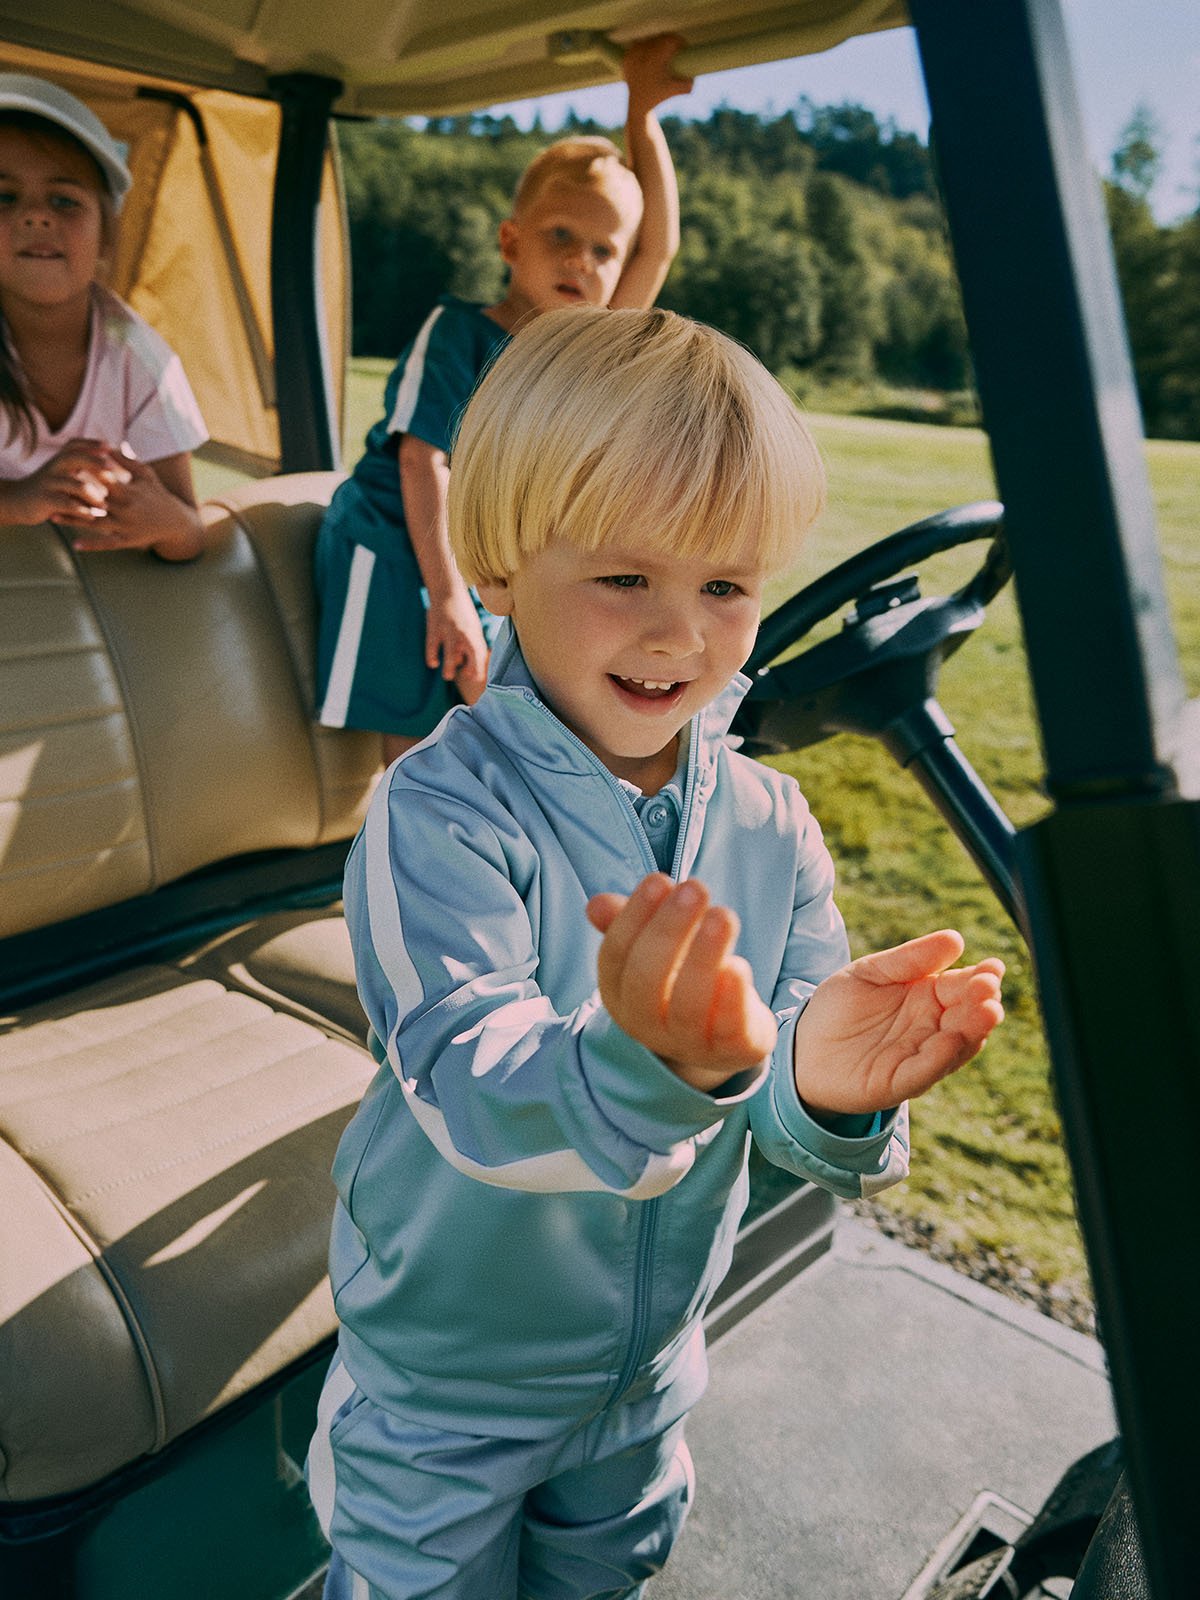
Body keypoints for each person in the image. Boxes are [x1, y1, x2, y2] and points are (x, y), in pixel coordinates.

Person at [306, 306, 1006, 1600]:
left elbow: (777, 1091)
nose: (682, 636)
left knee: (608, 1574)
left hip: (648, 1369)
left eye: (726, 585)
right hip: (446, 1382)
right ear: (502, 565)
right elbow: (468, 1072)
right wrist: (644, 1070)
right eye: (626, 578)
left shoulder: (768, 822)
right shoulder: (442, 810)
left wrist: (818, 1082)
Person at [313, 35, 692, 764]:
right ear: (511, 242)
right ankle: (399, 851)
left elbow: (660, 248)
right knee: (418, 730)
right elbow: (424, 461)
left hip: (487, 560)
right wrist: (449, 595)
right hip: (400, 544)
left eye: (603, 251)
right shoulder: (457, 333)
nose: (582, 260)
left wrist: (641, 116)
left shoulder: (589, 350)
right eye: (561, 236)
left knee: (493, 720)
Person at [0, 74, 208, 559]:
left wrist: (164, 523)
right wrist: (19, 500)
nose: (36, 216)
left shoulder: (140, 358)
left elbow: (190, 533)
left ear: (106, 239)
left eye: (64, 200)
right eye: (5, 197)